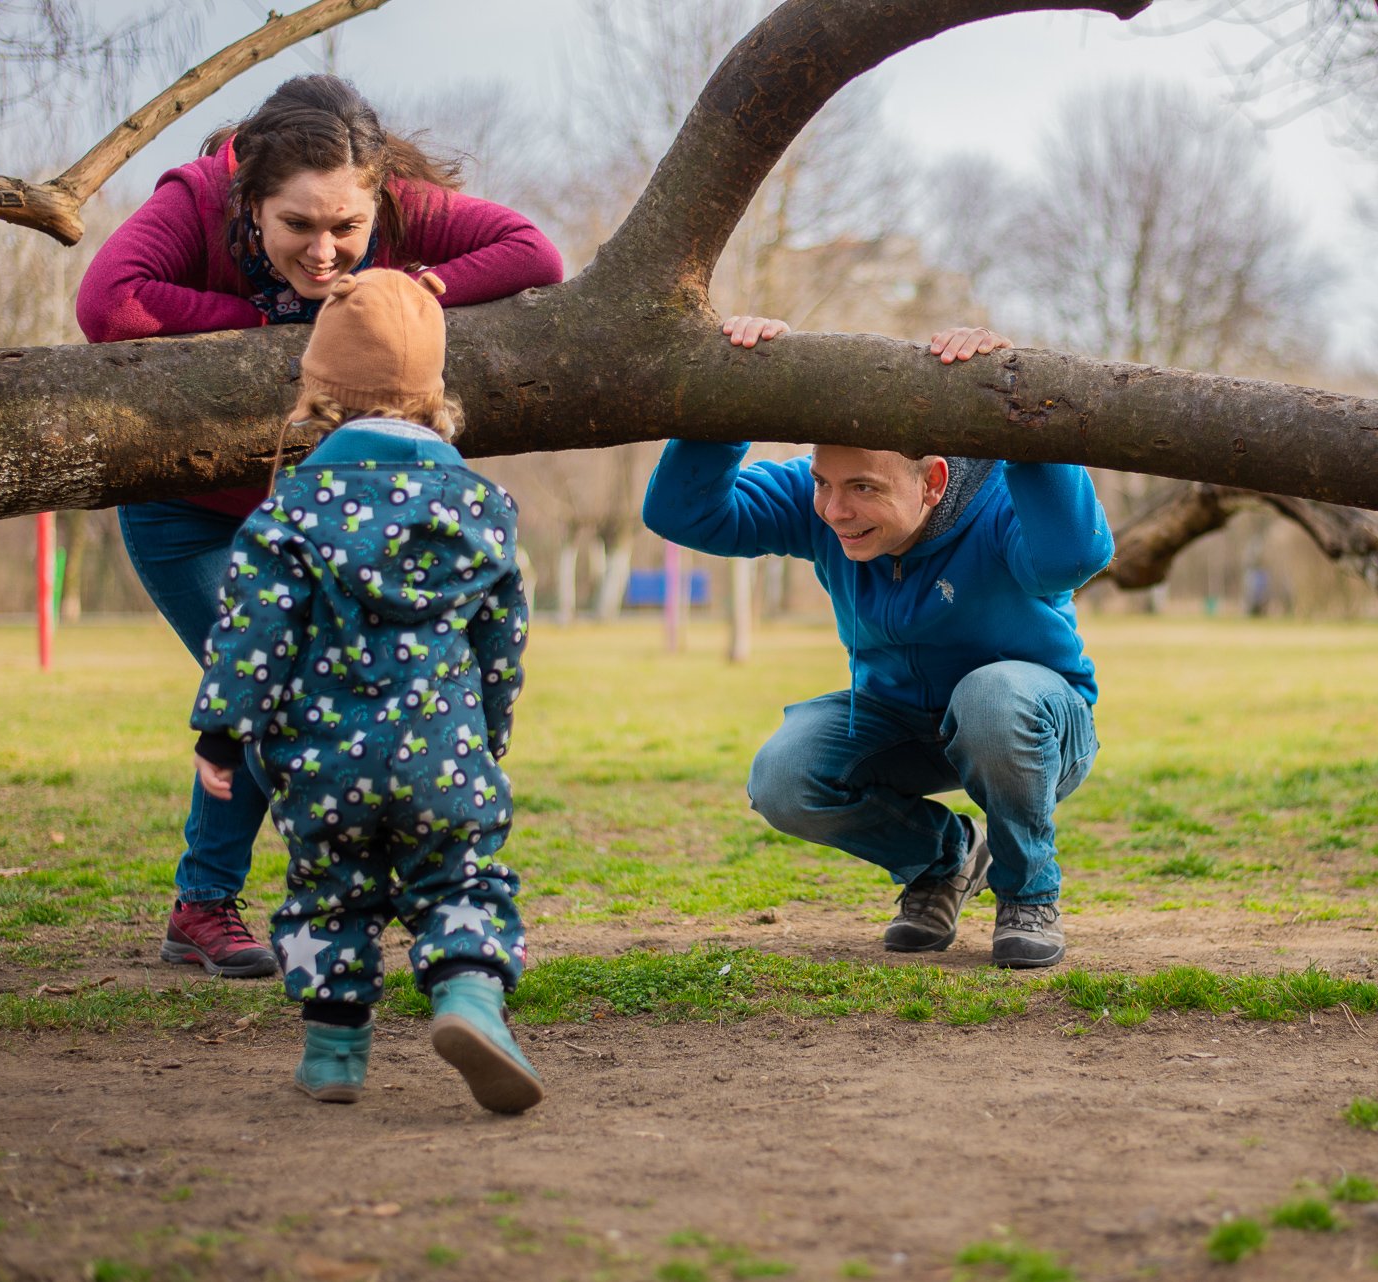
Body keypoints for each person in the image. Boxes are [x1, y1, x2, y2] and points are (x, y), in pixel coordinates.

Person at [77, 75, 562, 980]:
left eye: (348, 226)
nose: (328, 249)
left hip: (321, 517)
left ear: (377, 197)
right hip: (193, 515)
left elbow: (535, 254)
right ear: (249, 202)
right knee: (281, 685)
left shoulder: (400, 210)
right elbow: (110, 306)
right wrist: (274, 325)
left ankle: (266, 900)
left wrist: (414, 287)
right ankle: (210, 903)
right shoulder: (192, 197)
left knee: (299, 693)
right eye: (298, 226)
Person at [642, 317, 1112, 968]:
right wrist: (739, 386)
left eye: (863, 488)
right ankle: (943, 859)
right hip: (904, 726)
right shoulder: (822, 507)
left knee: (992, 696)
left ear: (934, 482)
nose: (836, 510)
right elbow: (681, 513)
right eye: (824, 482)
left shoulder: (1002, 504)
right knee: (784, 775)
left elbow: (1075, 555)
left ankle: (1028, 891)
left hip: (1034, 727)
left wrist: (1019, 411)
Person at [191, 267, 540, 1112]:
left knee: (330, 890)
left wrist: (223, 734)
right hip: (444, 753)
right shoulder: (481, 506)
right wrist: (488, 731)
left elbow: (252, 635)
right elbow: (502, 638)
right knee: (460, 880)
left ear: (318, 395)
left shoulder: (289, 511)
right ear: (433, 398)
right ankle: (467, 997)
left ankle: (336, 1053)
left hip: (320, 761)